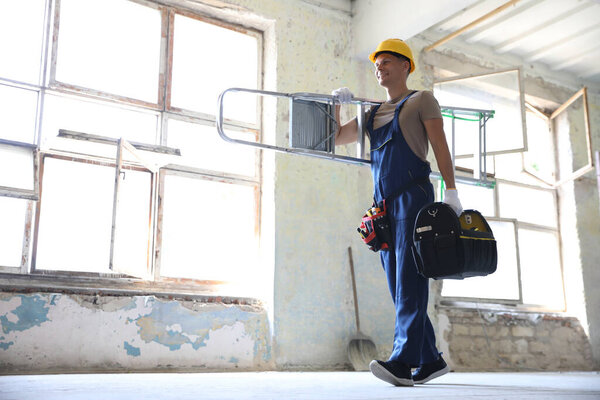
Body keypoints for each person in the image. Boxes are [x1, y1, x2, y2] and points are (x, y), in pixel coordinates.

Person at [332, 38, 462, 386]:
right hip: (384, 208)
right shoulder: (372, 113)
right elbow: (334, 138)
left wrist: (451, 191)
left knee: (408, 280)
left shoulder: (421, 100)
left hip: (413, 198)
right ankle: (431, 359)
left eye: (387, 61)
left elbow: (440, 146)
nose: (380, 68)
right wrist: (336, 105)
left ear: (406, 65)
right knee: (398, 283)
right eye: (377, 65)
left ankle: (403, 361)